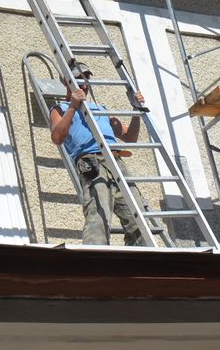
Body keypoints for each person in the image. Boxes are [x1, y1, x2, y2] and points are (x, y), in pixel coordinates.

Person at [49, 71, 148, 246]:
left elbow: (130, 137)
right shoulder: (61, 109)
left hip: (116, 162)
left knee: (138, 218)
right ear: (66, 81)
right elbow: (57, 137)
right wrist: (73, 106)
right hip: (92, 162)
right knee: (98, 217)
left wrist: (136, 109)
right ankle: (95, 264)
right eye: (79, 79)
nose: (84, 84)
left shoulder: (100, 109)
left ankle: (138, 264)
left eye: (86, 79)